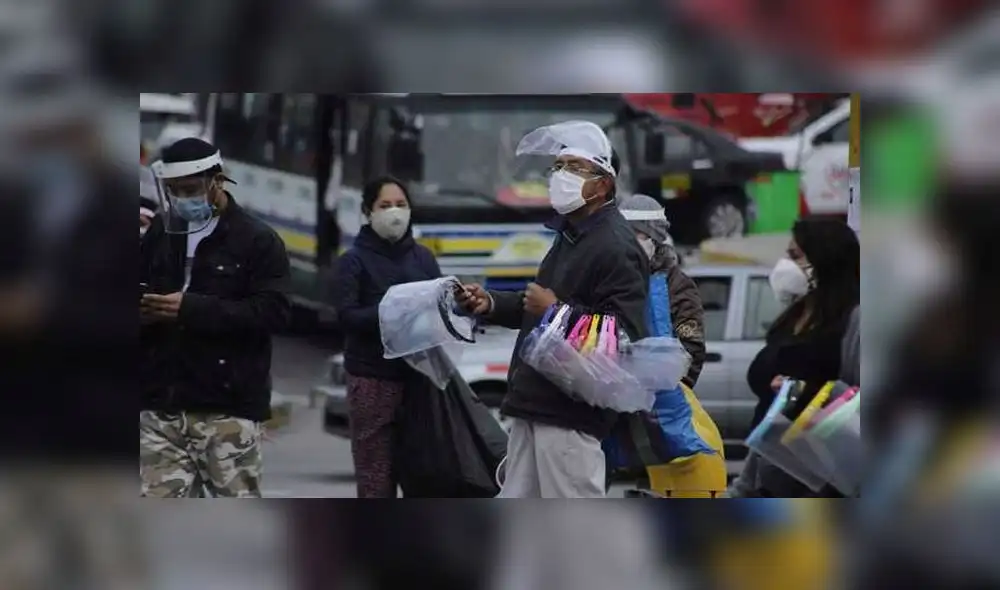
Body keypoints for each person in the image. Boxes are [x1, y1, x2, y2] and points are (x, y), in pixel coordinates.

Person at [457, 121, 649, 498]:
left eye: (574, 168)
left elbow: (623, 337)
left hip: (568, 414)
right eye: (558, 167)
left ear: (603, 184)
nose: (561, 177)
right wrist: (492, 303)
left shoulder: (615, 244)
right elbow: (538, 306)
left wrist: (556, 311)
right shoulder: (572, 235)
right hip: (534, 404)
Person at [140, 137, 291, 498]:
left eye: (190, 189)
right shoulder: (162, 232)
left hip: (226, 408)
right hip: (162, 405)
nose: (183, 199)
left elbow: (274, 311)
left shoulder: (257, 240)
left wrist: (190, 308)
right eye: (174, 191)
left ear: (217, 181)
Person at [730, 216, 859, 497]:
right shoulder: (793, 317)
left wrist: (807, 393)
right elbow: (772, 414)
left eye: (795, 256)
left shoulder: (853, 322)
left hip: (821, 483)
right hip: (769, 475)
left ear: (823, 260)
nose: (785, 264)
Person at [332, 176, 442, 498]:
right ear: (368, 211)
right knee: (375, 474)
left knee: (423, 472)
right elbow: (347, 316)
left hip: (420, 377)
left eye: (401, 205)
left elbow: (438, 306)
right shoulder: (353, 262)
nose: (394, 213)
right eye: (385, 206)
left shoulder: (422, 258)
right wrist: (392, 311)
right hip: (372, 378)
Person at [617, 193, 706, 387]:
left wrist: (669, 386)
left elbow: (692, 349)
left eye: (638, 234)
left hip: (663, 399)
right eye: (625, 234)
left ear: (655, 240)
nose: (630, 242)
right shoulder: (609, 279)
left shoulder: (677, 285)